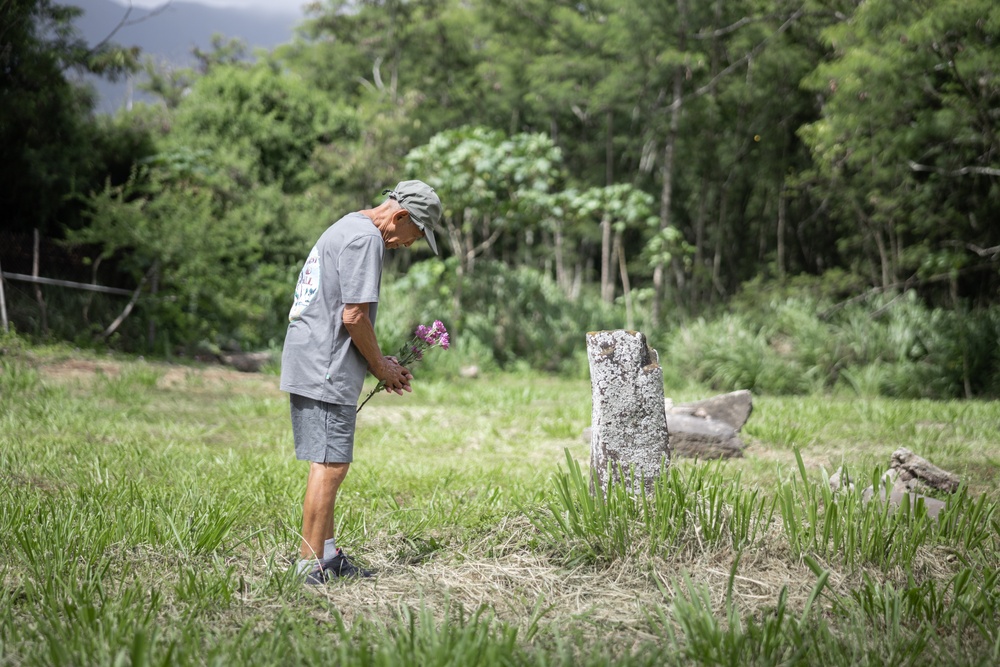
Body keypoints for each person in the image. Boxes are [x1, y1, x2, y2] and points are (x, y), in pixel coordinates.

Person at [279, 180, 442, 584]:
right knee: (331, 464)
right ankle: (309, 567)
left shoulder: (347, 227)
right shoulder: (366, 239)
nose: (410, 243)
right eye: (416, 234)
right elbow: (353, 317)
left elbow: (345, 312)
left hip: (313, 356)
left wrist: (378, 358)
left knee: (329, 458)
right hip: (325, 364)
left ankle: (327, 556)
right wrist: (381, 368)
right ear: (402, 216)